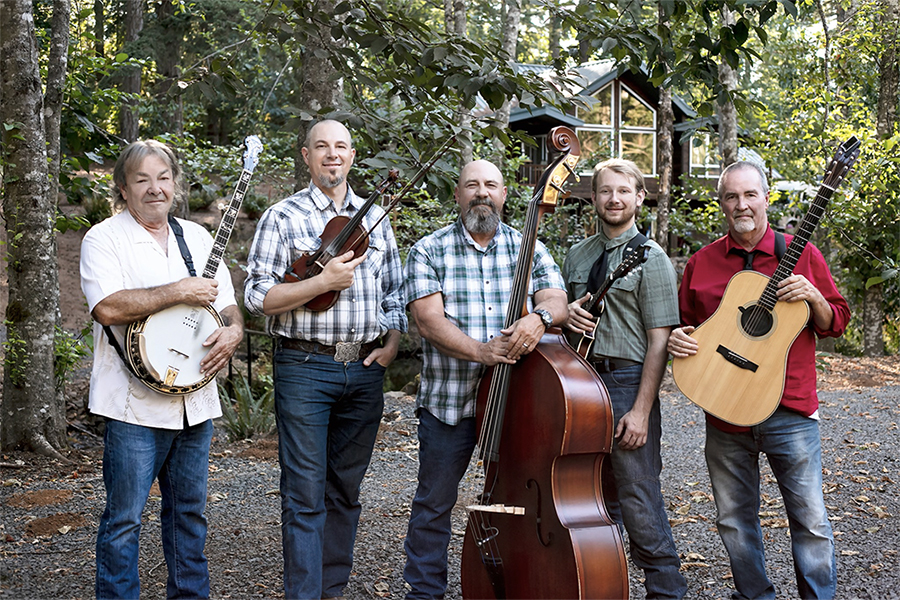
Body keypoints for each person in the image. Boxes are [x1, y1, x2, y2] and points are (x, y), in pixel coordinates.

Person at [667, 161, 850, 599]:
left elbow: (837, 321)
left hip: (789, 408)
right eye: (731, 196)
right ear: (721, 203)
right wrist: (677, 339)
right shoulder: (702, 262)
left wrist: (813, 297)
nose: (741, 204)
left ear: (765, 197)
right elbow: (688, 327)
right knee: (733, 520)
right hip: (725, 409)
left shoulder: (801, 253)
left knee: (810, 520)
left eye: (749, 194)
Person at [243, 119, 406, 600]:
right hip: (304, 368)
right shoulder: (282, 217)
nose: (332, 155)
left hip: (364, 370)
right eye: (321, 147)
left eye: (340, 147)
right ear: (306, 156)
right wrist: (321, 283)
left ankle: (330, 591)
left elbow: (394, 291)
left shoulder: (375, 218)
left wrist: (393, 342)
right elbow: (256, 297)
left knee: (345, 491)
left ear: (352, 156)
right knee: (304, 494)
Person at [80, 139, 244, 599]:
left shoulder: (197, 237)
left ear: (175, 183)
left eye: (164, 177)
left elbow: (229, 307)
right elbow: (108, 308)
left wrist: (233, 333)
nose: (155, 188)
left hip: (195, 405)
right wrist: (177, 290)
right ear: (123, 188)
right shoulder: (104, 238)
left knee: (189, 514)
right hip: (134, 406)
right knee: (125, 519)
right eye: (142, 179)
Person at [401, 159, 569, 599]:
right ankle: (424, 593)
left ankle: (519, 585)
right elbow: (427, 320)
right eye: (471, 185)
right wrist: (481, 351)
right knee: (434, 504)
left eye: (490, 185)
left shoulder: (529, 247)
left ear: (504, 195)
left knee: (523, 500)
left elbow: (557, 300)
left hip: (515, 405)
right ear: (457, 195)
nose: (481, 192)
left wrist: (540, 318)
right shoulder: (429, 249)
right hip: (450, 401)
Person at [562, 158, 687, 599]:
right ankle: (604, 584)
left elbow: (659, 343)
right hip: (578, 382)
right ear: (593, 198)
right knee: (589, 493)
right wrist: (568, 314)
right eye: (604, 191)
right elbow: (561, 323)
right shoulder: (578, 255)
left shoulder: (653, 261)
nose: (613, 199)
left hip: (626, 382)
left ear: (639, 198)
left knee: (637, 495)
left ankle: (666, 589)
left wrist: (640, 410)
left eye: (623, 191)